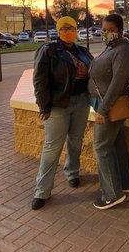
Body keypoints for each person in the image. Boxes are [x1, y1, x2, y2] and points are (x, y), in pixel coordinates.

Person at [32, 16, 92, 210]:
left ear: (76, 30)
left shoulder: (83, 51)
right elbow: (40, 81)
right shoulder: (48, 50)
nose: (68, 31)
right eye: (64, 28)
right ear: (58, 30)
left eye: (72, 28)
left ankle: (72, 172)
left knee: (76, 141)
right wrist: (44, 106)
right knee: (52, 147)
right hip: (58, 105)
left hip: (81, 102)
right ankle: (42, 191)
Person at [88, 14, 129, 210]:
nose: (105, 32)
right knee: (117, 145)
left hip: (109, 106)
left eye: (109, 29)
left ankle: (111, 194)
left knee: (101, 147)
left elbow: (117, 83)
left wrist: (103, 109)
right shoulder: (112, 47)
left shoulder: (124, 50)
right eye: (103, 28)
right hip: (104, 104)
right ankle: (125, 184)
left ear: (120, 30)